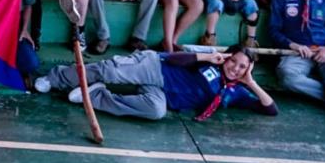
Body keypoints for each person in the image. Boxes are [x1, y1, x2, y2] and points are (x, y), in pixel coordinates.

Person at [35, 45, 277, 122]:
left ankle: (97, 95)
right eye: (233, 61)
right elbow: (173, 58)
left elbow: (270, 109)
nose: (235, 67)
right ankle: (55, 78)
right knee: (110, 71)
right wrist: (206, 57)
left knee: (155, 111)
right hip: (157, 68)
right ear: (227, 57)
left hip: (162, 96)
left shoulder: (235, 92)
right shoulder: (210, 64)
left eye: (242, 66)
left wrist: (251, 82)